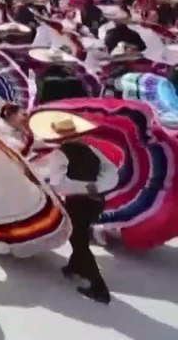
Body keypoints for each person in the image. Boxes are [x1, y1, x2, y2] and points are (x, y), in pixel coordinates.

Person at [29, 109, 119, 304]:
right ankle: (76, 265)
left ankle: (99, 287)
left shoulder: (59, 156)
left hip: (78, 202)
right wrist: (95, 187)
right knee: (79, 234)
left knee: (78, 239)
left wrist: (83, 188)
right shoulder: (92, 150)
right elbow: (111, 172)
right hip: (96, 200)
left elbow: (58, 184)